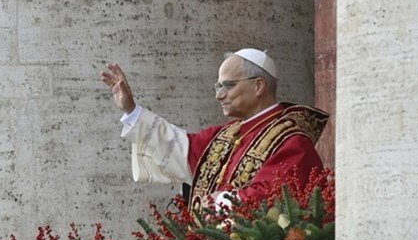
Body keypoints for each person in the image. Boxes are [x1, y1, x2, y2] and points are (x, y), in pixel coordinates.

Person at [100, 49, 328, 214]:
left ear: (258, 86)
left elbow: (280, 197)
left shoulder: (292, 140)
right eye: (218, 86)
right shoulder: (223, 136)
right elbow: (177, 149)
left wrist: (220, 203)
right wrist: (131, 110)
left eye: (228, 85)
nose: (219, 95)